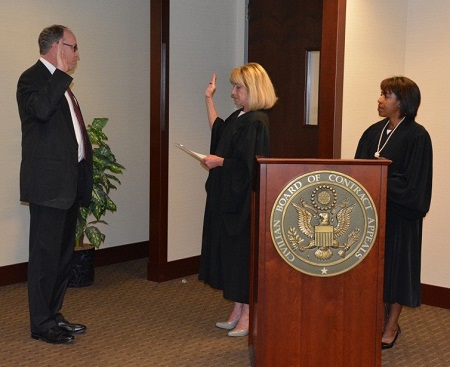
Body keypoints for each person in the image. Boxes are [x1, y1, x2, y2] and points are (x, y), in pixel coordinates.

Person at [16, 24, 93, 344]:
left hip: (68, 184)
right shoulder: (31, 79)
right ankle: (41, 323)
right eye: (73, 47)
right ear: (57, 47)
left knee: (62, 257)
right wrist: (60, 74)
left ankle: (54, 313)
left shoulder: (62, 85)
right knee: (45, 257)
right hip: (48, 187)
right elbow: (41, 112)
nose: (77, 54)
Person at [199, 63, 277, 337]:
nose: (232, 92)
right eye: (233, 87)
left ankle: (248, 315)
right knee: (230, 256)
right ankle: (236, 309)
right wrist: (208, 99)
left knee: (241, 257)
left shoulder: (257, 122)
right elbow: (218, 132)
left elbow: (249, 168)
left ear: (253, 89)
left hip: (243, 204)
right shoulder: (239, 117)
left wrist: (220, 162)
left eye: (238, 87)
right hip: (227, 199)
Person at [355, 76, 432, 349]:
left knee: (397, 272)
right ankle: (375, 318)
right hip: (372, 215)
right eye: (381, 94)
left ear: (402, 102)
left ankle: (391, 326)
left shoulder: (417, 136)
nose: (379, 100)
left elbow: (415, 183)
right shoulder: (372, 132)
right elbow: (358, 171)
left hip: (401, 216)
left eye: (385, 95)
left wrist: (379, 179)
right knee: (374, 271)